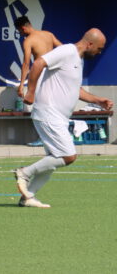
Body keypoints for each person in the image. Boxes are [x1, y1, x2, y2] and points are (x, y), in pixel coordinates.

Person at [14, 28, 112, 208]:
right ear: (90, 44)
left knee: (53, 160)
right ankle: (24, 173)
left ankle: (28, 197)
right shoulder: (67, 51)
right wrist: (31, 92)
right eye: (99, 48)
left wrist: (98, 100)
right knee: (68, 156)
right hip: (48, 113)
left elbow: (76, 90)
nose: (99, 52)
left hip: (58, 117)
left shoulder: (78, 60)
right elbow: (38, 63)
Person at [14, 16, 62, 99]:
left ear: (23, 28)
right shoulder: (49, 34)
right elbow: (63, 48)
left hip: (41, 74)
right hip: (54, 71)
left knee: (41, 100)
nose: (20, 34)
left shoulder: (28, 41)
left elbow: (26, 64)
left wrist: (21, 85)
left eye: (19, 31)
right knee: (54, 99)